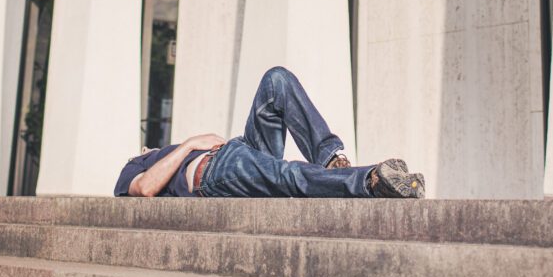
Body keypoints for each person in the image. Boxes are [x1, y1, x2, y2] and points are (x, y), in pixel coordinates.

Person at [114, 66, 425, 199]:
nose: (147, 148)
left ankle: (330, 157)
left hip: (238, 149)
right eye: (145, 149)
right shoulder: (136, 166)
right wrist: (190, 144)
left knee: (276, 79)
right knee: (286, 174)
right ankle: (370, 180)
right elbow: (145, 189)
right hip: (215, 173)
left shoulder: (164, 155)